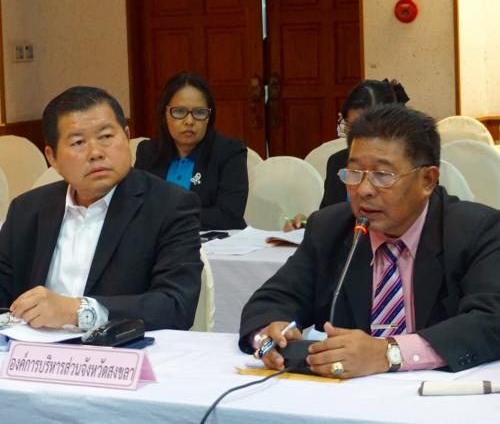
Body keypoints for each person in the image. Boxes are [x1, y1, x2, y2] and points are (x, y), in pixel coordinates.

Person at [240, 104, 500, 378]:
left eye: (382, 176)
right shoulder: (330, 228)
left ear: (427, 179)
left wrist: (389, 352)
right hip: (347, 394)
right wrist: (268, 334)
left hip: (441, 394)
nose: (363, 190)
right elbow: (271, 300)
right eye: (354, 173)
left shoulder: (477, 230)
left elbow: (491, 320)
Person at [0, 86, 202, 332]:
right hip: (32, 351)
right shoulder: (27, 210)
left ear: (126, 137)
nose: (95, 153)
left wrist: (77, 311)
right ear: (52, 158)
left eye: (106, 137)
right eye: (78, 142)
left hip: (121, 351)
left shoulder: (169, 206)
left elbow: (175, 305)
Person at [284, 79, 409, 231]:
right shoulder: (337, 162)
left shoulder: (407, 166)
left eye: (366, 127)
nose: (357, 135)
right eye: (351, 125)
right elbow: (330, 218)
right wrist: (308, 225)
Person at [135, 71, 248, 230]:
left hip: (214, 243)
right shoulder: (148, 152)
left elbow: (229, 215)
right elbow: (135, 207)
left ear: (209, 117)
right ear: (165, 114)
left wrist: (168, 216)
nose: (189, 121)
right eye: (179, 112)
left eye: (199, 112)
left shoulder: (229, 151)